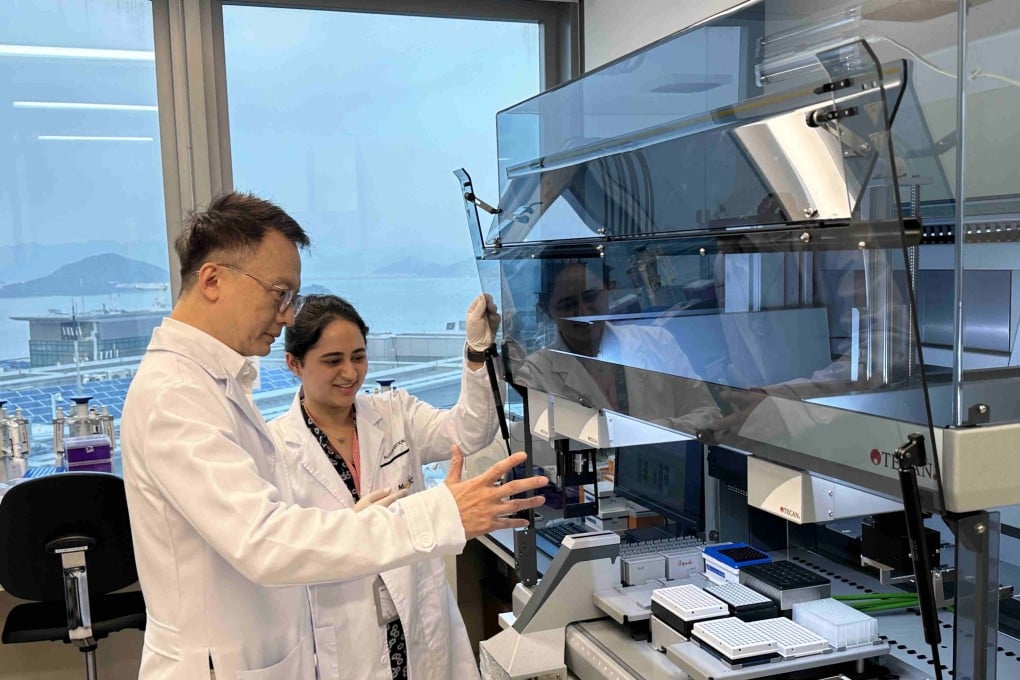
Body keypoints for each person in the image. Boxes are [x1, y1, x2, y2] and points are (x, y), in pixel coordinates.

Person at [120, 191, 547, 680]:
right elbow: (265, 541)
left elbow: (465, 430)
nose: (285, 315)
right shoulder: (176, 394)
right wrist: (437, 512)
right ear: (213, 280)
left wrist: (368, 517)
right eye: (278, 293)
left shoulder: (215, 386)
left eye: (291, 298)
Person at [268, 294, 496, 680]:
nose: (349, 372)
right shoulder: (275, 448)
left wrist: (477, 352)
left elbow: (470, 431)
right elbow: (280, 552)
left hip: (419, 615)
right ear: (294, 363)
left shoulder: (394, 413)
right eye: (332, 360)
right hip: (344, 634)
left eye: (358, 356)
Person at [514, 258, 721, 435]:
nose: (584, 312)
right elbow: (538, 448)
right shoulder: (536, 373)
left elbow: (710, 415)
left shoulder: (658, 341)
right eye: (568, 305)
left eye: (590, 297)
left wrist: (661, 430)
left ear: (609, 288)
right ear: (546, 310)